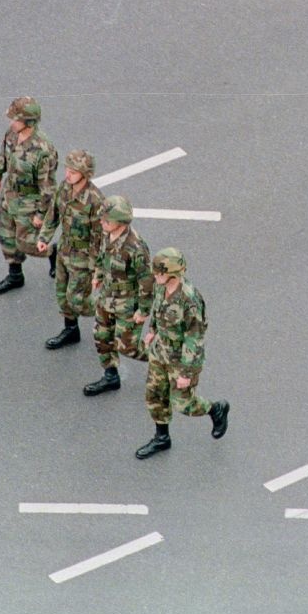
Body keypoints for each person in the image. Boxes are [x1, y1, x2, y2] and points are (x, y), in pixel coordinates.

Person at [135, 248, 229, 459]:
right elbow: (158, 312)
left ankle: (215, 409)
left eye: (159, 272)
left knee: (183, 404)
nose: (155, 276)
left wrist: (186, 373)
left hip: (181, 358)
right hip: (161, 352)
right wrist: (152, 331)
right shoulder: (162, 288)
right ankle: (161, 438)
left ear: (173, 273)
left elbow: (194, 339)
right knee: (155, 395)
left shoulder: (190, 300)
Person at [83, 194, 154, 397]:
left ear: (121, 222)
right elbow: (101, 257)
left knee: (128, 347)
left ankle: (162, 362)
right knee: (102, 338)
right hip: (106, 298)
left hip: (127, 304)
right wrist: (97, 275)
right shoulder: (107, 235)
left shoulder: (136, 247)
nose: (102, 222)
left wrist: (143, 310)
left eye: (107, 219)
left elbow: (146, 281)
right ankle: (110, 376)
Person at [35, 149, 105, 350]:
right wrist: (44, 238)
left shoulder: (95, 201)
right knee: (62, 296)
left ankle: (109, 313)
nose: (68, 174)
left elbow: (99, 239)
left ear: (85, 174)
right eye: (67, 169)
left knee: (76, 300)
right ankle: (71, 330)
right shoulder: (64, 189)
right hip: (64, 251)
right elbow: (53, 214)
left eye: (73, 171)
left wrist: (96, 270)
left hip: (83, 258)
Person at [0, 96, 58, 294]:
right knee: (6, 236)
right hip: (9, 194)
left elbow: (47, 186)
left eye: (16, 119)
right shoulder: (11, 134)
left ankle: (54, 253)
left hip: (29, 200)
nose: (12, 123)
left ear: (28, 122)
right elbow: (2, 155)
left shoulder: (43, 149)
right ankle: (15, 275)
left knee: (27, 243)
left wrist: (40, 214)